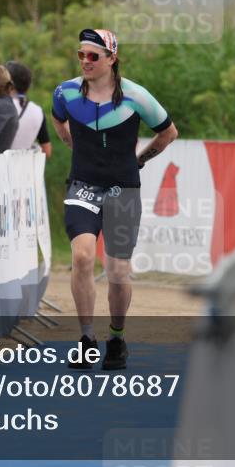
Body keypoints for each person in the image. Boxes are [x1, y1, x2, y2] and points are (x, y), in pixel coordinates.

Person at [52, 28, 178, 370]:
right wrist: (70, 143)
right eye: (81, 55)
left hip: (123, 188)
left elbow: (168, 132)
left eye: (93, 56)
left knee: (118, 270)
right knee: (81, 257)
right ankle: (86, 338)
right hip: (83, 185)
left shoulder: (136, 96)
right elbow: (58, 118)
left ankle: (117, 338)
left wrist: (141, 158)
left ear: (112, 58)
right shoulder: (65, 92)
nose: (85, 61)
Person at [5, 60, 52, 157]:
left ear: (9, 84)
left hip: (0, 168)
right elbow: (47, 151)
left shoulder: (2, 106)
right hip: (25, 170)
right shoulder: (38, 111)